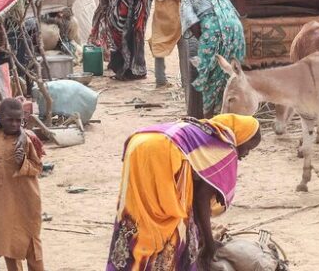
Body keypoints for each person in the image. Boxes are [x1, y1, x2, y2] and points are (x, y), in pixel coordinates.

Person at [106, 113, 261, 270]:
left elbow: (194, 193)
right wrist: (209, 242)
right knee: (172, 223)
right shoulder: (223, 147)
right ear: (241, 136)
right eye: (248, 147)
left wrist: (201, 232)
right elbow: (201, 199)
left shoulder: (205, 132)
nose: (246, 153)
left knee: (138, 213)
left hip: (139, 142)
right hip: (165, 149)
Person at [0, 98, 45, 271]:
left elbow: (38, 167)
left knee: (31, 245)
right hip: (2, 201)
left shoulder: (28, 140)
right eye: (10, 120)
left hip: (26, 200)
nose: (15, 124)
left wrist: (22, 162)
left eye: (19, 120)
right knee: (8, 243)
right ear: (0, 119)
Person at [179, 0, 246, 117]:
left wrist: (204, 42)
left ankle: (210, 116)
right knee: (228, 71)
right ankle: (233, 110)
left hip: (213, 29)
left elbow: (191, 22)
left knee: (209, 72)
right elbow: (233, 12)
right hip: (236, 29)